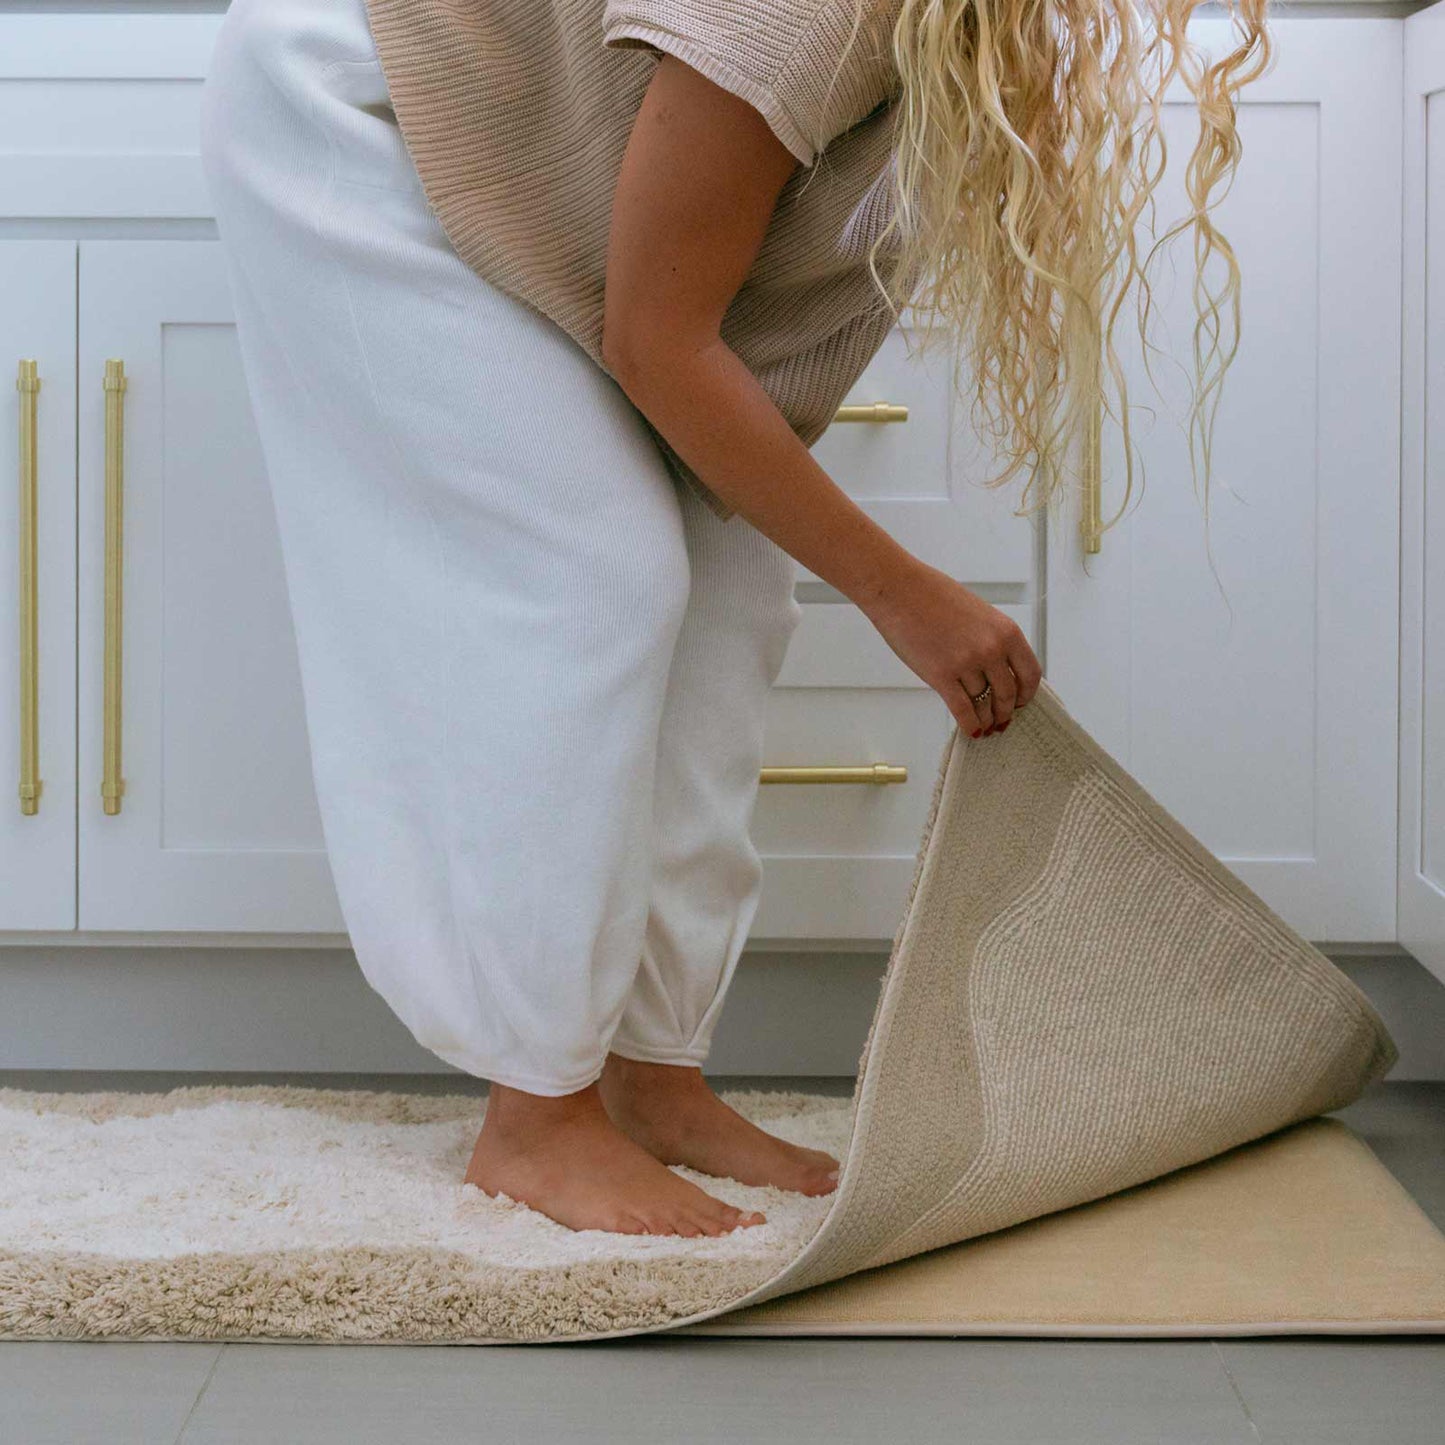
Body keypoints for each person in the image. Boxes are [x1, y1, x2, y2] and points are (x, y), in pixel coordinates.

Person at [198, 0, 1269, 1237]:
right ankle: (536, 1112)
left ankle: (652, 1076)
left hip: (521, 147)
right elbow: (658, 339)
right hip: (364, 109)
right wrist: (900, 593)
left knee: (727, 588)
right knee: (587, 573)